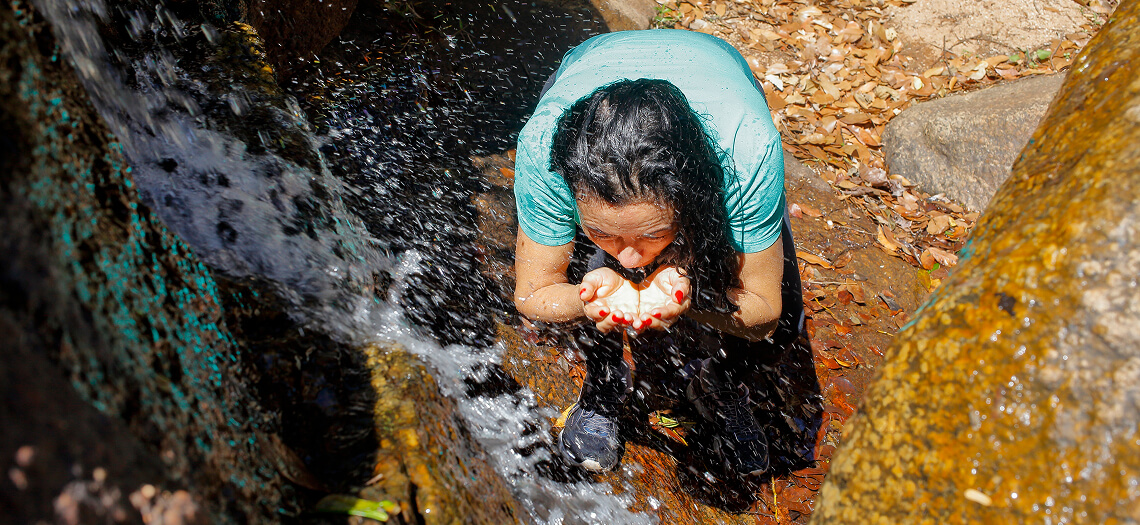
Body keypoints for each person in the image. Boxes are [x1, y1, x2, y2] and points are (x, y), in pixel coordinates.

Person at [512, 29, 803, 477]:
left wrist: (697, 301)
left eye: (652, 234)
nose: (630, 262)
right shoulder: (545, 155)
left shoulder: (746, 152)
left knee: (781, 318)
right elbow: (533, 294)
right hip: (592, 64)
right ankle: (604, 384)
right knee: (583, 264)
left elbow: (764, 311)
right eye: (601, 232)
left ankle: (721, 383)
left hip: (718, 73)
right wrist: (589, 299)